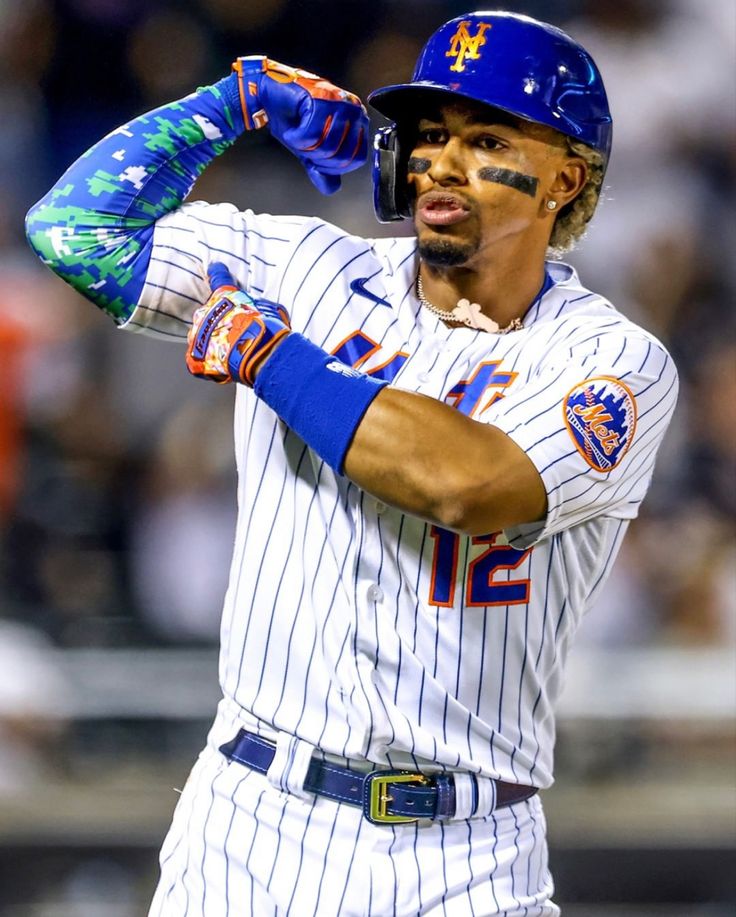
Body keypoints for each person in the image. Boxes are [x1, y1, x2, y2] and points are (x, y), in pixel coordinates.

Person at [25, 11, 678, 916]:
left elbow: (469, 485)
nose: (443, 162)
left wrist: (272, 356)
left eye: (485, 137)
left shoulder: (613, 360)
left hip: (465, 856)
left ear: (564, 178)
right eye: (428, 133)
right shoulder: (305, 264)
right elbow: (73, 229)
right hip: (247, 825)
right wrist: (232, 101)